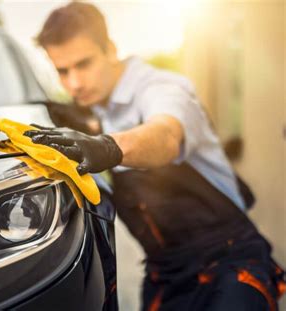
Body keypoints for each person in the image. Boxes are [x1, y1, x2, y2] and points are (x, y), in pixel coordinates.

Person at [24, 2, 285, 310]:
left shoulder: (162, 88)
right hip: (165, 276)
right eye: (62, 71)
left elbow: (166, 135)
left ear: (110, 49)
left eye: (84, 64)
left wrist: (107, 147)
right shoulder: (95, 111)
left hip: (229, 264)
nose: (74, 83)